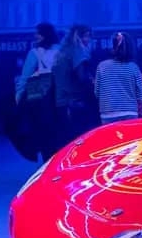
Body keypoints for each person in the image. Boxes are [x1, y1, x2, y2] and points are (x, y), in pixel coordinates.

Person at [12, 22, 60, 162]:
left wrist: (19, 94)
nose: (35, 35)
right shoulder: (61, 51)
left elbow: (25, 76)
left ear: (44, 35)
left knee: (44, 134)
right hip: (60, 97)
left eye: (38, 33)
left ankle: (47, 164)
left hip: (41, 100)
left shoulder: (35, 53)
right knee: (59, 134)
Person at [52, 23, 98, 147]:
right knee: (82, 142)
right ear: (77, 36)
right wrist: (95, 82)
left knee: (68, 142)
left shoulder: (62, 51)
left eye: (89, 36)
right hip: (75, 103)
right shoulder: (77, 50)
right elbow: (81, 77)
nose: (88, 40)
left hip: (62, 102)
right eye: (86, 36)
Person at [94, 31, 142, 124]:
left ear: (112, 47)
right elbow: (141, 95)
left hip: (108, 114)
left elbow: (97, 93)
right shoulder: (134, 67)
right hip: (130, 114)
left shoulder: (102, 66)